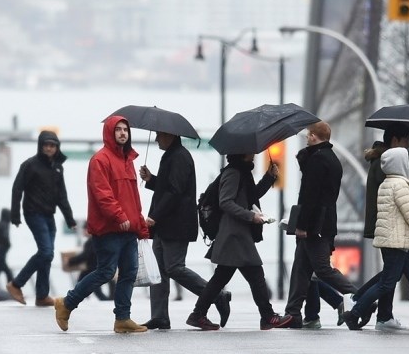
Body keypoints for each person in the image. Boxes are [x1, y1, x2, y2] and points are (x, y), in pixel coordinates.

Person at [54, 116, 149, 334]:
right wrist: (119, 216)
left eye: (126, 129)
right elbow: (102, 194)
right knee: (106, 272)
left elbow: (134, 198)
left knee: (129, 273)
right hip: (109, 229)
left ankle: (123, 319)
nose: (123, 133)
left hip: (129, 229)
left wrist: (140, 225)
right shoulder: (100, 160)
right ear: (109, 132)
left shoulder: (128, 161)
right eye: (118, 130)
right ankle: (66, 304)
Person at [186, 153, 291, 331]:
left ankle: (197, 314)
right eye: (251, 151)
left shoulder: (242, 172)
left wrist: (269, 177)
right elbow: (225, 202)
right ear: (243, 153)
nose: (255, 154)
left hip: (237, 233)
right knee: (255, 274)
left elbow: (251, 196)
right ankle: (267, 317)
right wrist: (252, 216)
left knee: (222, 277)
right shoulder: (233, 173)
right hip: (234, 234)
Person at [343, 147, 409, 331]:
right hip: (397, 242)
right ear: (401, 163)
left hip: (399, 240)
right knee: (387, 283)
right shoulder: (400, 185)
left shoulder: (388, 183)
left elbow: (399, 213)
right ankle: (354, 314)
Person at [139, 130, 231, 330]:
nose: (155, 139)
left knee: (173, 268)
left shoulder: (180, 157)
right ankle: (159, 316)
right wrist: (151, 179)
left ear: (170, 135)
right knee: (159, 272)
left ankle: (216, 295)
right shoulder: (171, 155)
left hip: (174, 225)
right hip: (165, 225)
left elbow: (174, 192)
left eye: (158, 135)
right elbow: (167, 187)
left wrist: (154, 216)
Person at [279, 121, 358, 329]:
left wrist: (302, 225)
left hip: (315, 225)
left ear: (314, 136)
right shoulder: (329, 159)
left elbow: (310, 195)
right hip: (323, 222)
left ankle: (360, 297)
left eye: (308, 135)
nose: (306, 137)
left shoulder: (319, 160)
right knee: (301, 269)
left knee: (321, 269)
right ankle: (293, 313)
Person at [355, 126, 409, 330]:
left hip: (392, 227)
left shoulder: (382, 160)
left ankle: (385, 316)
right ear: (395, 140)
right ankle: (358, 307)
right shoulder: (387, 163)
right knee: (389, 277)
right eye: (405, 142)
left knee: (397, 276)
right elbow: (397, 191)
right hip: (391, 229)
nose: (408, 147)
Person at [7, 131, 77, 307]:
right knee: (45, 252)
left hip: (49, 215)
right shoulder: (30, 165)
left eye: (52, 145)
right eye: (46, 145)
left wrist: (70, 219)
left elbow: (62, 196)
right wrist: (15, 215)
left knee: (48, 255)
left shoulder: (58, 167)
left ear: (57, 147)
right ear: (40, 146)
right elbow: (17, 189)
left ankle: (41, 295)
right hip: (33, 213)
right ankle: (16, 284)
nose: (49, 148)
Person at [66, 225, 114, 301]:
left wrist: (71, 261)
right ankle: (107, 299)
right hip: (96, 266)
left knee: (86, 284)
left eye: (84, 230)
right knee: (92, 285)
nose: (83, 232)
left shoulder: (91, 241)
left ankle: (74, 298)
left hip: (93, 268)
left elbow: (85, 255)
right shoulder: (98, 240)